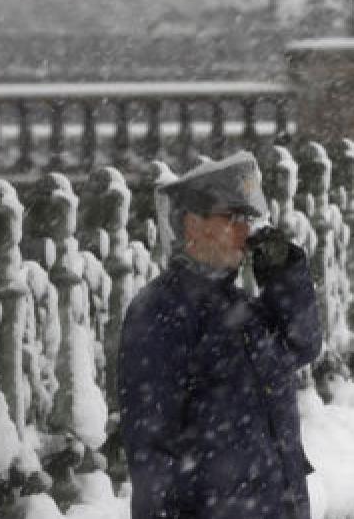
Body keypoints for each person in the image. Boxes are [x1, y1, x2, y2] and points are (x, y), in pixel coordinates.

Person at [118, 151, 322, 519]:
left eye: (247, 219)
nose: (245, 232)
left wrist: (283, 275)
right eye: (232, 219)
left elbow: (302, 344)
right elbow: (151, 447)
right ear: (194, 226)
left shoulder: (239, 307)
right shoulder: (159, 310)